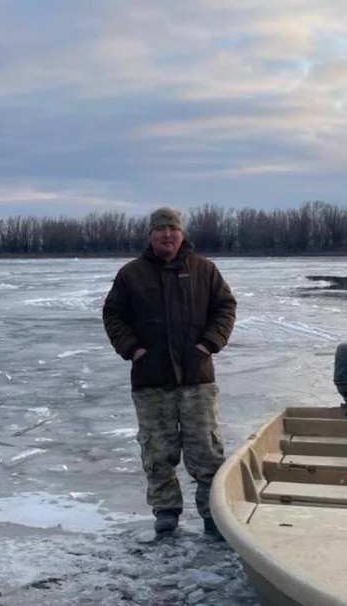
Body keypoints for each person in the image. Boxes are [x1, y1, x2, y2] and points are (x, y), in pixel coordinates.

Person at [102, 206, 237, 538]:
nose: (167, 235)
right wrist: (134, 350)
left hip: (197, 379)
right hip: (151, 380)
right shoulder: (131, 275)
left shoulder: (204, 270)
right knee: (157, 450)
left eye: (172, 229)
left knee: (206, 450)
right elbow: (113, 315)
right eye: (160, 229)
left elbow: (225, 307)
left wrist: (208, 344)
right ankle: (165, 510)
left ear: (182, 233)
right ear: (150, 234)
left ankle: (211, 514)